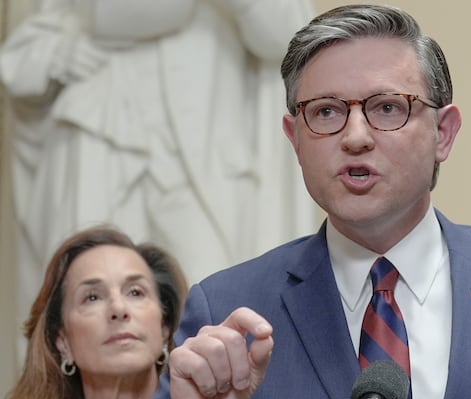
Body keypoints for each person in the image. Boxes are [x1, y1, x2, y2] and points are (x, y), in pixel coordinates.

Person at [126, 5, 471, 399]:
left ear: (444, 132)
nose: (356, 137)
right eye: (325, 112)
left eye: (387, 108)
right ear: (294, 137)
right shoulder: (231, 311)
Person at [0, 0, 315, 363]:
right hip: (98, 134)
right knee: (88, 298)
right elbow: (26, 58)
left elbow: (290, 42)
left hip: (202, 160)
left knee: (214, 305)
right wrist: (63, 49)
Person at [0, 226, 187, 399]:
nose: (118, 309)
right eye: (92, 297)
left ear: (164, 327)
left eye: (136, 292)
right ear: (62, 341)